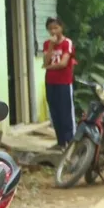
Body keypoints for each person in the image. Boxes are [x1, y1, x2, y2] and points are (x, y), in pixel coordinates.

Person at [42, 17, 76, 149]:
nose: (53, 31)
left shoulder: (67, 43)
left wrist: (49, 67)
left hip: (64, 82)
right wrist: (51, 46)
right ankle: (60, 142)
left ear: (61, 28)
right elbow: (45, 61)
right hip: (50, 82)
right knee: (54, 111)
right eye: (50, 29)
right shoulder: (47, 44)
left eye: (56, 28)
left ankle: (70, 141)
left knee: (65, 111)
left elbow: (63, 63)